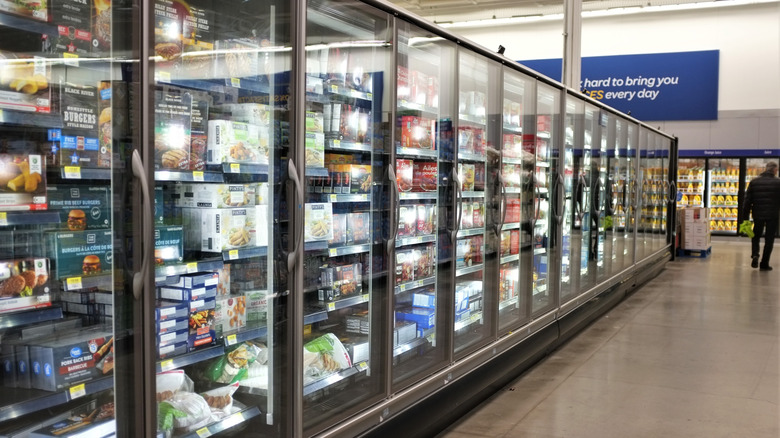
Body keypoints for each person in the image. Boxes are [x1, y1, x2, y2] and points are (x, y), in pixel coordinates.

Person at [743, 161, 780, 271]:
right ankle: (764, 263)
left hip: (757, 214)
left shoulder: (754, 182)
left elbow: (747, 202)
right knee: (769, 240)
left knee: (756, 236)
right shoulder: (778, 183)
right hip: (772, 216)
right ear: (774, 170)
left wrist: (745, 219)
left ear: (765, 169)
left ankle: (755, 254)